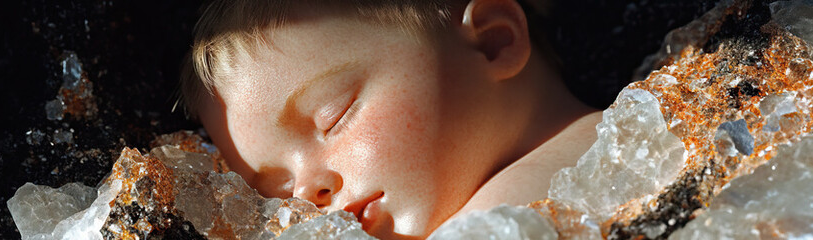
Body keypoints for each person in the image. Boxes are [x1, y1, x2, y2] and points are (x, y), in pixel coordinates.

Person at [180, 0, 601, 238]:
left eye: (333, 117)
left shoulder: (609, 148)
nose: (306, 192)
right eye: (276, 190)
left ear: (494, 43)